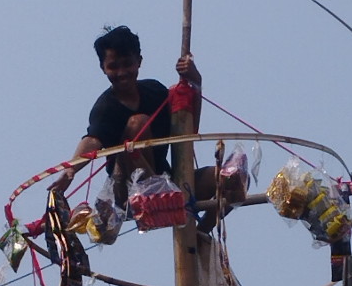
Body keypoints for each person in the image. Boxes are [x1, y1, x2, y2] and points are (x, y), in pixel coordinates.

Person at [50, 25, 244, 232]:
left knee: (233, 179)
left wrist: (195, 80)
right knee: (138, 123)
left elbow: (186, 130)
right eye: (113, 67)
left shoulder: (154, 91)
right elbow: (93, 139)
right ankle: (151, 194)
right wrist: (71, 169)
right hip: (129, 189)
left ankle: (201, 233)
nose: (122, 73)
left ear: (139, 62)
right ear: (103, 68)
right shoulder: (105, 108)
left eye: (127, 64)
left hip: (170, 183)